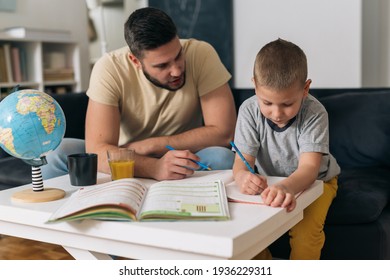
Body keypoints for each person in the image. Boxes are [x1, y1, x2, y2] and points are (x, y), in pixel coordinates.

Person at [42, 7, 236, 181]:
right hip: (126, 156)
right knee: (58, 152)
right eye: (162, 65)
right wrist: (154, 168)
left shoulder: (201, 53)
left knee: (223, 157)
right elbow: (98, 150)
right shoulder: (109, 68)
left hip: (182, 153)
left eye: (178, 55)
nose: (176, 70)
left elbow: (224, 133)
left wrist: (151, 145)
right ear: (135, 61)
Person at [232, 38, 340, 259]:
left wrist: (286, 188)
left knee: (305, 233)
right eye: (267, 103)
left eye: (287, 104)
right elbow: (241, 164)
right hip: (270, 183)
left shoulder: (315, 113)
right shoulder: (248, 111)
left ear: (305, 89)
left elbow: (309, 169)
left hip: (317, 181)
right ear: (255, 85)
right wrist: (243, 177)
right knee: (249, 234)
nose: (277, 114)